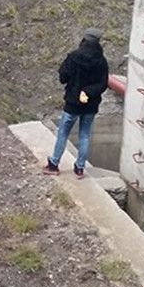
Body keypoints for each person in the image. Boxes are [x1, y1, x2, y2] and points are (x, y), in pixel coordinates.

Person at [43, 27, 109, 179]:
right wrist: (88, 92)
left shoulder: (74, 57)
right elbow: (103, 84)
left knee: (63, 133)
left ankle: (53, 164)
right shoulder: (101, 61)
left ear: (84, 39)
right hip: (91, 104)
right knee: (84, 135)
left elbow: (63, 78)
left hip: (72, 104)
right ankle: (79, 168)